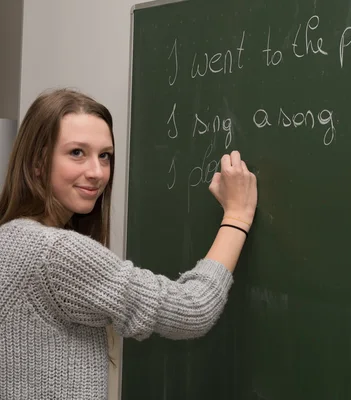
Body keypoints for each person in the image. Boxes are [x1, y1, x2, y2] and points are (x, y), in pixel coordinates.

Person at [0, 88, 257, 399]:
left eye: (104, 155)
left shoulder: (11, 238)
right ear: (38, 162)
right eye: (77, 153)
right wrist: (237, 216)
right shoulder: (55, 253)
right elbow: (193, 309)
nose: (96, 172)